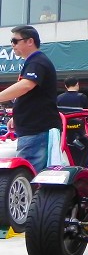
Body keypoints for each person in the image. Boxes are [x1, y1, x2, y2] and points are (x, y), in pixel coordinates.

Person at [0, 25, 63, 173]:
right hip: (34, 129)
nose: (12, 45)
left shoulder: (37, 62)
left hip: (36, 131)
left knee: (28, 177)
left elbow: (26, 86)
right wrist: (17, 116)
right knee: (29, 176)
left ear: (30, 41)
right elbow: (33, 94)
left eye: (15, 41)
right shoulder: (35, 61)